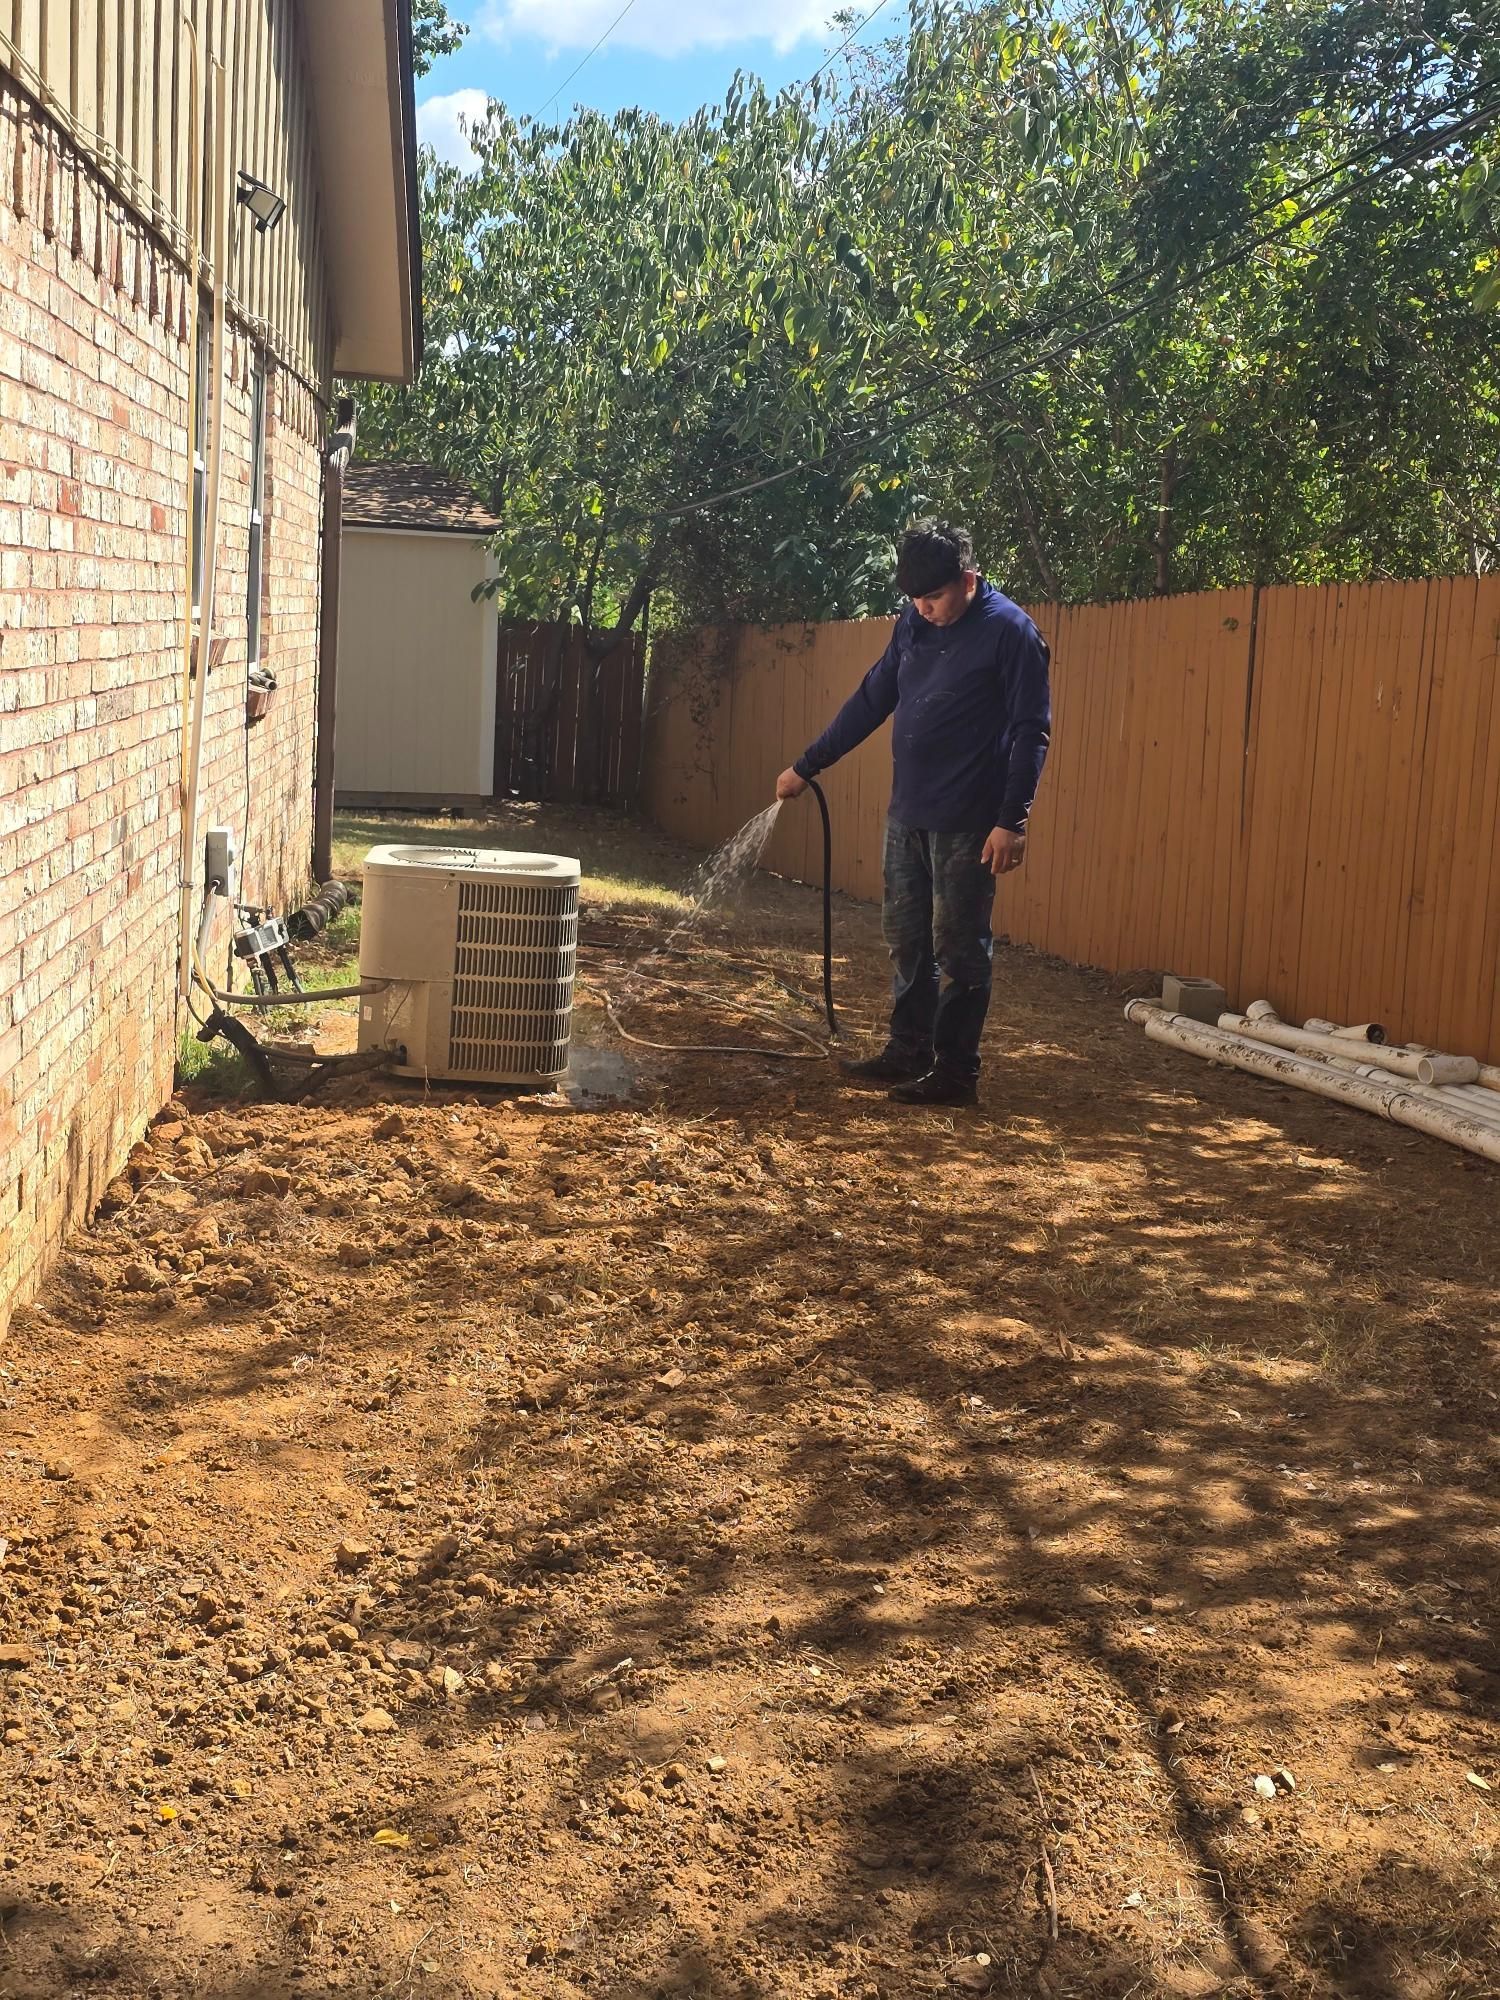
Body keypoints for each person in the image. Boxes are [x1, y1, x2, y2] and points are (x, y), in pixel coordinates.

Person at [776, 521, 1051, 1107]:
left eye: (935, 597)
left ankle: (955, 1074)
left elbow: (1032, 731)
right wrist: (808, 765)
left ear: (968, 580)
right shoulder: (913, 625)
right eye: (915, 600)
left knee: (959, 946)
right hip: (910, 814)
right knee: (906, 938)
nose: (924, 609)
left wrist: (1013, 819)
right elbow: (875, 695)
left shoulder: (1011, 632)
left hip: (971, 821)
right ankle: (909, 1050)